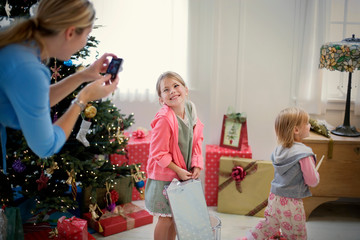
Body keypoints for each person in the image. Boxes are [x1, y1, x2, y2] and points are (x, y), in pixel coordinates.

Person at [0, 0, 119, 173]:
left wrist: (83, 76)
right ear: (70, 32)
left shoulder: (19, 46)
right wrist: (82, 98)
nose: (85, 42)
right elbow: (45, 147)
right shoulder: (28, 69)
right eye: (86, 35)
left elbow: (34, 98)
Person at [240, 107, 320, 240]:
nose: (309, 125)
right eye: (306, 123)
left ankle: (248, 238)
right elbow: (312, 181)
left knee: (269, 225)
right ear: (296, 130)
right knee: (296, 233)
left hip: (274, 197)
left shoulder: (279, 150)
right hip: (292, 202)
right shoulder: (304, 154)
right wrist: (315, 174)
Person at [145, 71, 204, 240]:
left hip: (181, 172)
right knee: (165, 218)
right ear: (161, 99)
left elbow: (197, 137)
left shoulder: (190, 108)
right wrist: (177, 169)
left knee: (174, 216)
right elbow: (158, 152)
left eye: (176, 86)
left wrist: (197, 162)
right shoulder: (164, 119)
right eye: (166, 89)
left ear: (186, 90)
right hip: (165, 175)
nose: (172, 91)